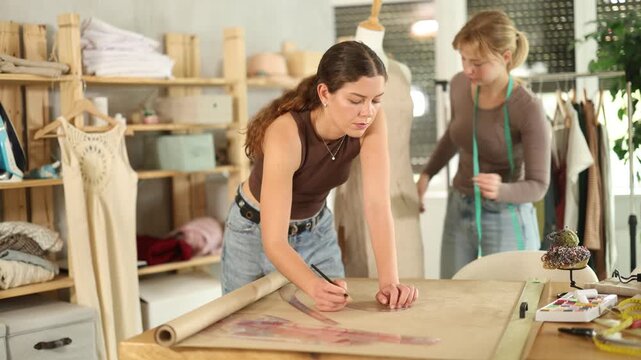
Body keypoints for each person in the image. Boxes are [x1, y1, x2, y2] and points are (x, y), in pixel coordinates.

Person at [222, 40, 418, 312]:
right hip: (253, 230)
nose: (367, 111)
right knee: (244, 328)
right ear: (325, 93)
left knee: (333, 322)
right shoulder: (286, 133)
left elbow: (376, 205)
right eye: (355, 100)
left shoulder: (372, 120)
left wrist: (389, 283)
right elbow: (274, 241)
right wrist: (313, 286)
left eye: (376, 100)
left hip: (317, 230)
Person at [416, 10, 550, 279]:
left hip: (504, 213)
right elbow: (456, 134)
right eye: (463, 59)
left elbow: (539, 186)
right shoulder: (458, 86)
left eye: (477, 62)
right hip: (459, 207)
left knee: (506, 302)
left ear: (505, 57)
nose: (467, 69)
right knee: (454, 296)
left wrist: (501, 189)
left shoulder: (527, 108)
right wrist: (427, 174)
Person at [334, 1, 424, 278]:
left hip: (399, 189)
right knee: (359, 277)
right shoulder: (337, 77)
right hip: (354, 186)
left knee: (406, 278)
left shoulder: (402, 72)